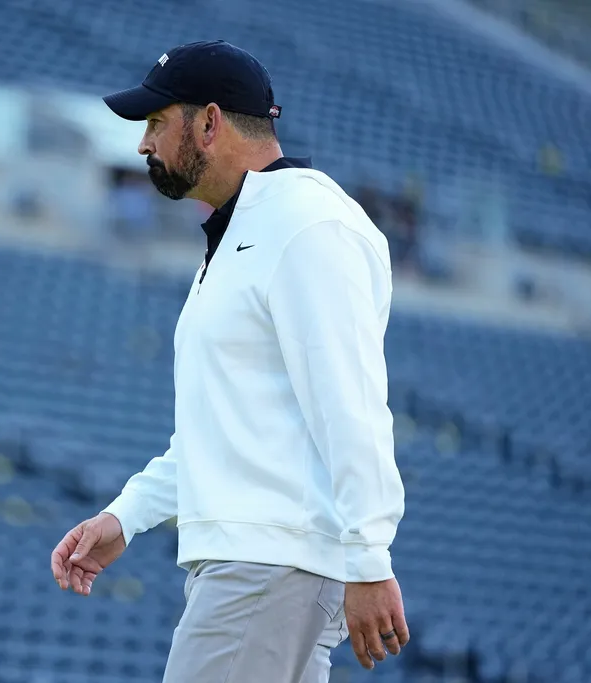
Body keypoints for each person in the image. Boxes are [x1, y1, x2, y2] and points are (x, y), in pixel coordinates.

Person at [50, 40, 408, 683]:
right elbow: (222, 430)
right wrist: (128, 515)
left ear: (210, 123)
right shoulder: (252, 228)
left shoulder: (306, 224)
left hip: (270, 566)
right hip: (257, 565)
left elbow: (348, 404)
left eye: (157, 123)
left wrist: (370, 556)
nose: (142, 144)